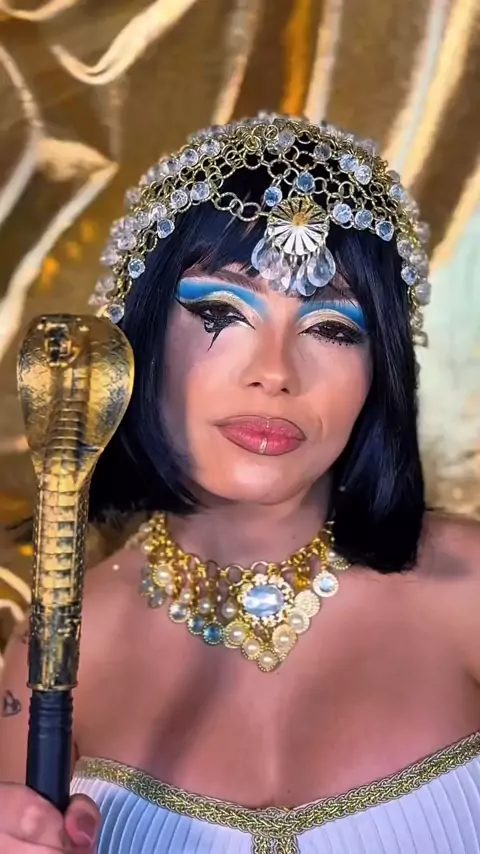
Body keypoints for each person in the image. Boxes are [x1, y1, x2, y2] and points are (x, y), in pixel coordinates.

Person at [0, 112, 479, 854]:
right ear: (140, 337)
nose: (275, 373)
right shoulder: (59, 644)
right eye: (222, 311)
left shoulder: (469, 590)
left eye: (332, 327)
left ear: (379, 368)